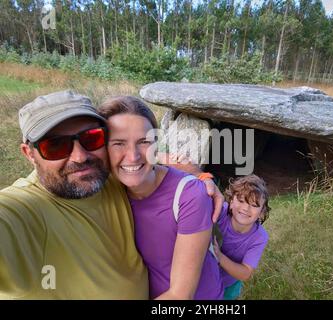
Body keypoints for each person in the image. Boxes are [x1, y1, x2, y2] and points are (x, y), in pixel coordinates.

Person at [0, 90, 223, 299]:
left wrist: (200, 177)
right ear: (29, 154)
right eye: (55, 145)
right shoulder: (23, 210)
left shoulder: (103, 175)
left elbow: (144, 157)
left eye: (90, 138)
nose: (79, 157)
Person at [98, 96, 224, 300]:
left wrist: (202, 177)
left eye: (144, 142)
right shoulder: (108, 186)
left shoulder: (190, 195)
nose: (132, 156)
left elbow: (181, 295)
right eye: (118, 143)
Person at [213, 174, 270, 300]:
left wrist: (219, 256)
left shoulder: (259, 237)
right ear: (231, 202)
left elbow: (245, 273)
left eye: (254, 205)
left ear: (262, 213)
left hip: (229, 282)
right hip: (204, 274)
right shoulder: (219, 212)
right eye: (241, 200)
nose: (245, 208)